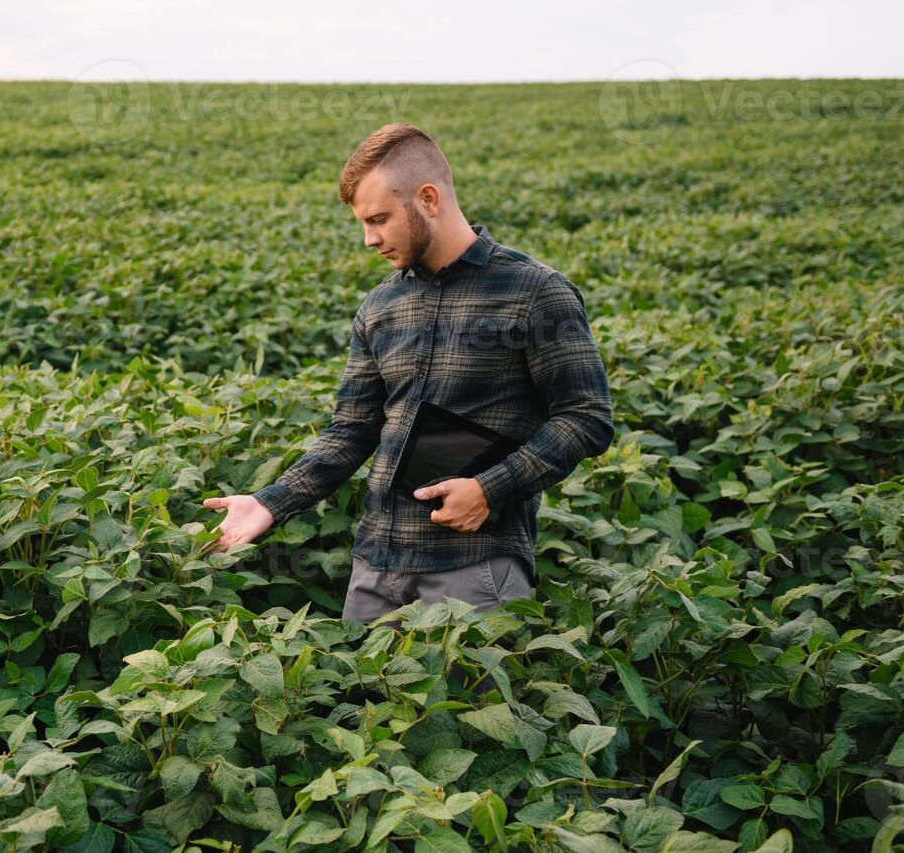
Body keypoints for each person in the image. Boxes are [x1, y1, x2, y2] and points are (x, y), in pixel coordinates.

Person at [202, 122, 614, 626]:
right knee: (362, 703)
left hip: (475, 568)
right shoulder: (381, 306)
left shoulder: (534, 292)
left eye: (379, 219)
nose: (369, 239)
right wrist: (269, 502)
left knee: (462, 706)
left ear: (427, 198)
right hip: (375, 566)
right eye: (363, 223)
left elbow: (586, 416)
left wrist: (490, 487)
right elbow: (351, 431)